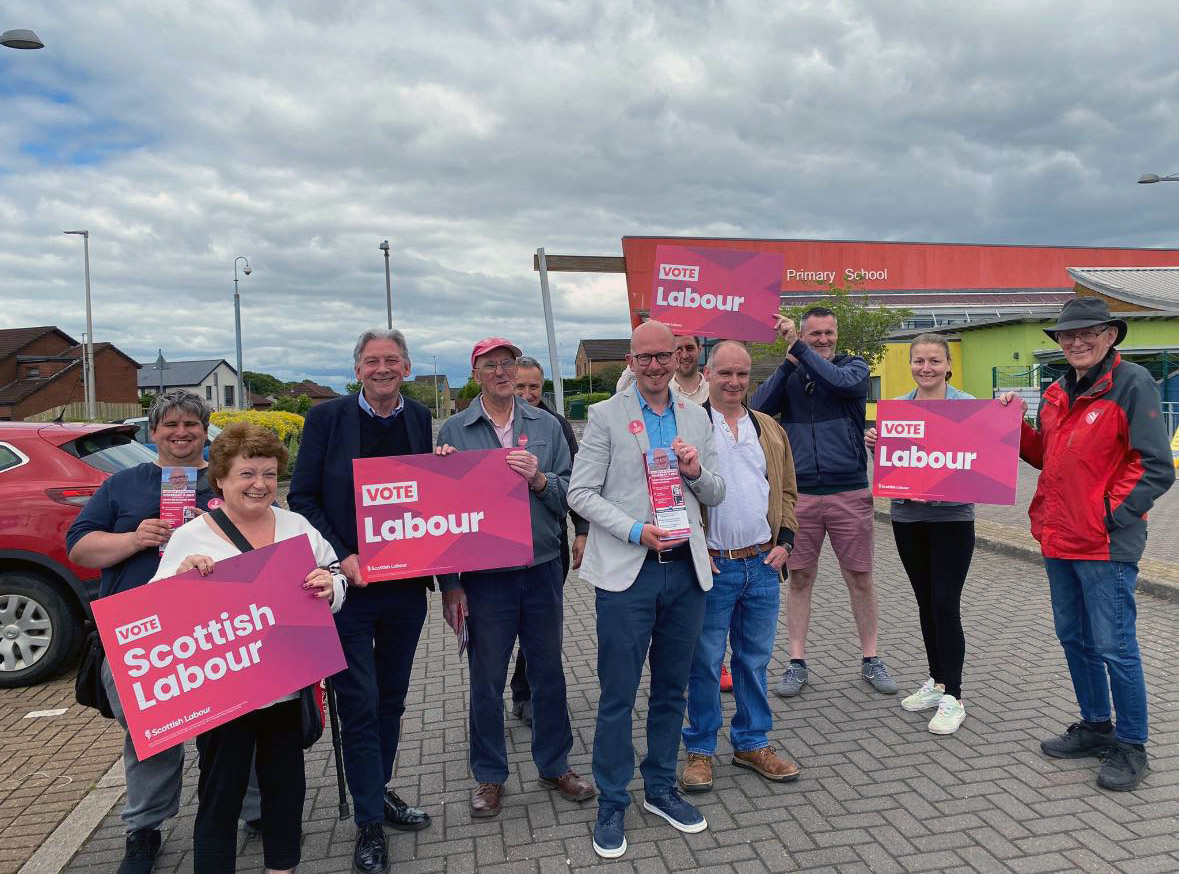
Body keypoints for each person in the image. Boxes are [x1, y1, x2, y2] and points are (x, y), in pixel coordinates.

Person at [999, 298, 1174, 791]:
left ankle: (1132, 745)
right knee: (1074, 638)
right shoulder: (1055, 391)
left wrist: (1109, 515)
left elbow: (1155, 465)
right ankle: (1097, 726)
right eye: (1068, 335)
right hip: (1058, 538)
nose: (1076, 342)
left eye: (1088, 333)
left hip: (1104, 545)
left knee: (1114, 646)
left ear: (1110, 336)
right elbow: (1046, 456)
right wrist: (1012, 428)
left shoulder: (1132, 383)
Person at [154, 422, 346, 874]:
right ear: (221, 478)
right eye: (247, 474)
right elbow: (158, 617)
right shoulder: (191, 537)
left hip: (284, 687)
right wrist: (181, 578)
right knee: (221, 792)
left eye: (268, 473)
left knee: (286, 788)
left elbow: (334, 575)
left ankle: (282, 867)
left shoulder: (296, 525)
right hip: (223, 698)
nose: (259, 484)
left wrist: (330, 586)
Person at [568, 320, 725, 859]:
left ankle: (659, 787)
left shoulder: (696, 417)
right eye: (647, 358)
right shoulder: (605, 416)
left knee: (671, 689)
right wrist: (635, 529)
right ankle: (612, 798)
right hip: (628, 572)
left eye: (666, 356)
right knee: (617, 694)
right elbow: (581, 493)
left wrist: (695, 470)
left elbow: (717, 491)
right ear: (631, 362)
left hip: (685, 571)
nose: (657, 365)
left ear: (681, 358)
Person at [288, 328, 433, 874]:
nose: (382, 368)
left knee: (392, 697)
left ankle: (379, 789)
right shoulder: (326, 420)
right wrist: (341, 555)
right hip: (346, 590)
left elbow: (428, 496)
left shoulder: (418, 418)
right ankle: (369, 819)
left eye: (391, 360)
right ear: (357, 369)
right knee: (359, 703)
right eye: (372, 360)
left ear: (406, 367)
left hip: (404, 587)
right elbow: (302, 499)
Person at [435, 337, 593, 818]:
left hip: (542, 566)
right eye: (491, 366)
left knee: (548, 673)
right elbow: (435, 515)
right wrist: (450, 584)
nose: (502, 372)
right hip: (485, 577)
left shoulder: (546, 425)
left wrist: (541, 480)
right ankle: (489, 775)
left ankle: (554, 764)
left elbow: (574, 491)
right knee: (486, 680)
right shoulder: (453, 432)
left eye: (508, 364)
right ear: (476, 373)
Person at [66, 390, 216, 874]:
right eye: (170, 425)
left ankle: (253, 812)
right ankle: (144, 829)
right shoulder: (122, 485)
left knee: (236, 727)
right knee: (153, 733)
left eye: (191, 425)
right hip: (141, 633)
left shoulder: (229, 479)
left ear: (205, 431)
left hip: (215, 626)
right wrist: (134, 539)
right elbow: (80, 550)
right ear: (152, 432)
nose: (181, 433)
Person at [751, 307, 896, 697]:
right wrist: (787, 364)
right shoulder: (793, 372)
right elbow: (758, 409)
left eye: (828, 332)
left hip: (848, 490)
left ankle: (871, 658)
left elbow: (840, 384)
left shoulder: (854, 368)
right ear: (803, 334)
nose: (823, 339)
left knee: (860, 578)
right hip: (801, 495)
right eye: (813, 334)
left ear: (837, 333)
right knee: (799, 579)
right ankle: (796, 662)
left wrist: (799, 348)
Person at [681, 341, 800, 792]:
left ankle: (752, 743)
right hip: (714, 567)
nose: (734, 383)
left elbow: (787, 490)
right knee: (707, 663)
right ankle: (700, 750)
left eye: (742, 375)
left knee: (753, 662)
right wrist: (694, 547)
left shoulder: (768, 427)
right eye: (725, 373)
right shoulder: (691, 426)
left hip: (763, 565)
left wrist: (786, 541)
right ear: (708, 373)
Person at [864, 334, 975, 735]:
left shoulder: (968, 408)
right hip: (908, 518)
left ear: (948, 365)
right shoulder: (897, 410)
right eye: (918, 361)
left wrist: (1006, 411)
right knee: (926, 601)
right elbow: (899, 465)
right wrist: (877, 444)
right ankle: (937, 680)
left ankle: (954, 695)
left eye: (934, 361)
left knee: (945, 602)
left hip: (952, 520)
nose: (925, 368)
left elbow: (985, 453)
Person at [507, 355, 590, 726]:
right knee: (503, 628)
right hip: (499, 548)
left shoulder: (555, 424)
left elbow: (575, 481)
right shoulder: (498, 423)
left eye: (534, 387)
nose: (527, 394)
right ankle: (509, 694)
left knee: (541, 628)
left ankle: (526, 692)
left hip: (548, 543)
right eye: (520, 386)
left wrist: (582, 531)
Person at [616, 333, 709, 404]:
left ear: (700, 349)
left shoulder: (713, 389)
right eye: (679, 350)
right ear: (674, 354)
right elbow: (621, 391)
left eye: (690, 348)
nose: (684, 355)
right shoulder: (659, 388)